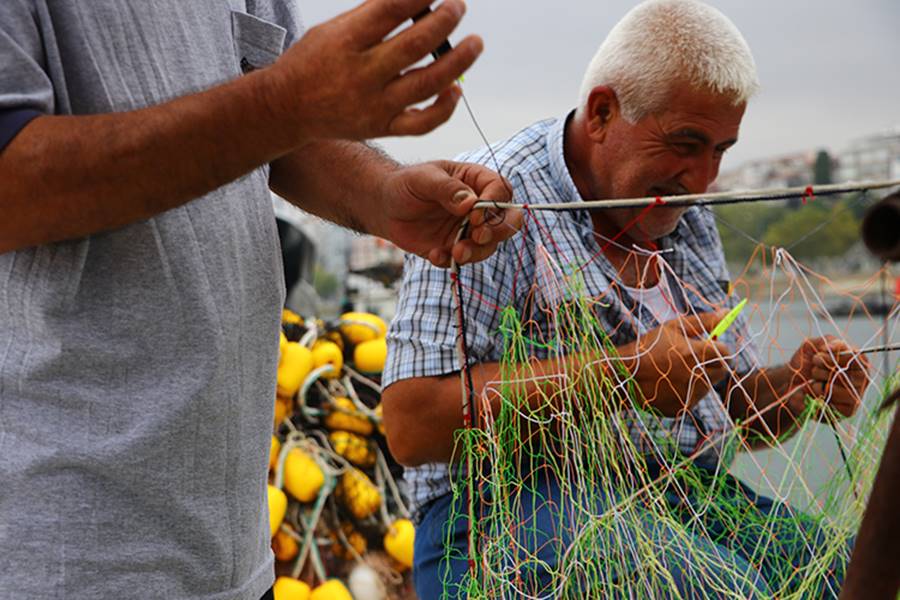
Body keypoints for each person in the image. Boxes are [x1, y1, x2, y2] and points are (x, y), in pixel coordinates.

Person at [0, 1, 522, 598]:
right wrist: (282, 103)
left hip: (233, 554)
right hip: (55, 557)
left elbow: (269, 124)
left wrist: (380, 193)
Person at [382, 0, 870, 597]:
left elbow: (736, 411)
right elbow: (409, 424)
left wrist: (797, 387)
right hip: (491, 516)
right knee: (720, 587)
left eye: (720, 150)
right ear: (602, 112)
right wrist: (625, 376)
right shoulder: (488, 203)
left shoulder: (681, 214)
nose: (703, 178)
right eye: (686, 144)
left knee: (850, 573)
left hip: (676, 495)